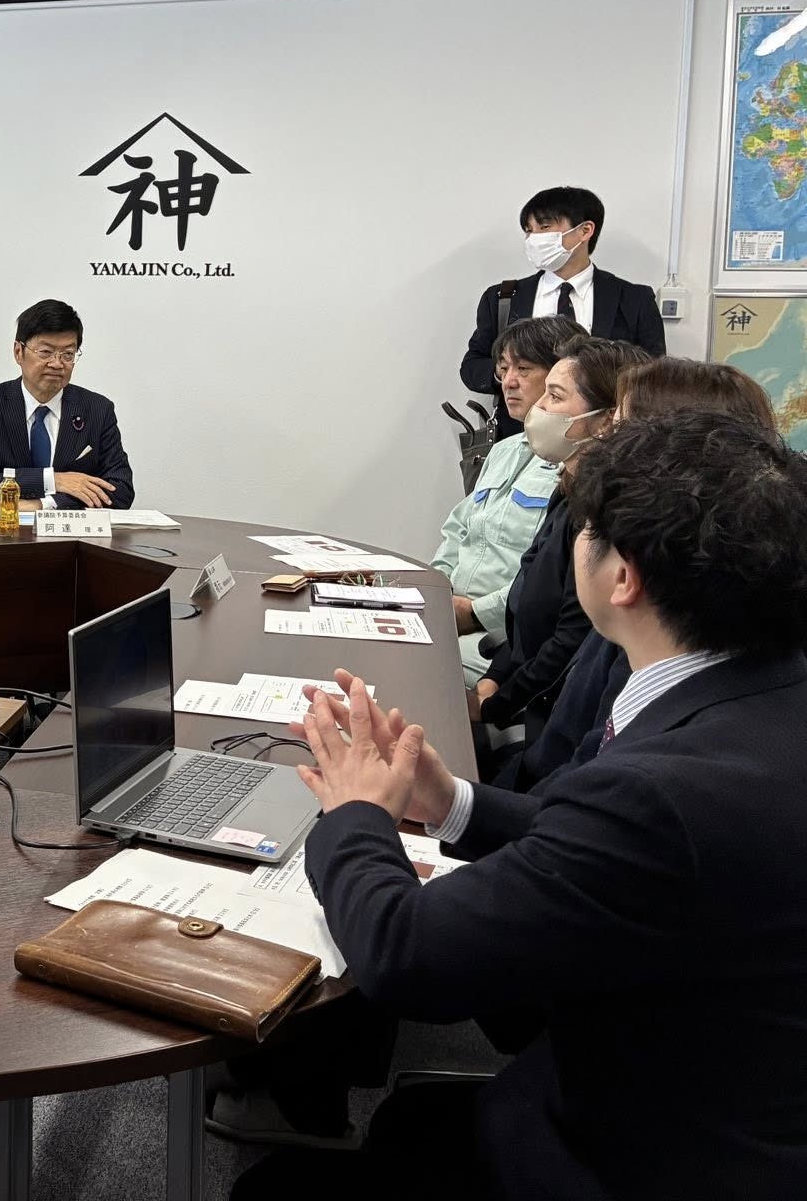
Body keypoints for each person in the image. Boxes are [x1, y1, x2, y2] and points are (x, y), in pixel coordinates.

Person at [237, 412, 807, 1201]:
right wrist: (451, 802)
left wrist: (356, 815)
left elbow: (407, 956)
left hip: (642, 1153)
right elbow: (606, 847)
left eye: (584, 528)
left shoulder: (657, 792)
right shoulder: (760, 700)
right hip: (725, 1087)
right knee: (408, 1126)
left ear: (623, 576)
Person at [498, 356, 782, 793]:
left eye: (620, 426)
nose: (604, 439)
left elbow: (579, 788)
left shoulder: (663, 634)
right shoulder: (637, 626)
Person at [473, 336, 649, 733]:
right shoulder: (567, 489)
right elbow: (527, 605)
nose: (539, 408)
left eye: (554, 396)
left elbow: (571, 636)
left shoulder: (602, 513)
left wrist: (496, 705)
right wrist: (495, 677)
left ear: (607, 419)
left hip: (542, 712)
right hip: (514, 682)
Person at [430, 315, 583, 687]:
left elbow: (545, 581)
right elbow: (458, 530)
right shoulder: (502, 451)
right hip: (453, 614)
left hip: (503, 633)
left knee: (404, 667)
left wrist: (473, 612)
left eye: (523, 369)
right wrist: (436, 590)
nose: (508, 381)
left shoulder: (577, 466)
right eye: (503, 369)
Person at [460, 186, 666, 438]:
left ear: (585, 230)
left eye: (545, 227)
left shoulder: (634, 299)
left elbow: (654, 374)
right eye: (529, 231)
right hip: (519, 436)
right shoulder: (503, 298)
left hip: (604, 437)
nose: (534, 239)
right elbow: (471, 368)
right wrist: (513, 370)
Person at [0, 299, 134, 511]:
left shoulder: (97, 409)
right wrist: (53, 480)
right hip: (4, 528)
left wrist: (44, 504)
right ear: (18, 352)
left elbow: (120, 491)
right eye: (46, 352)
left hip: (68, 531)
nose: (57, 363)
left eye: (68, 354)